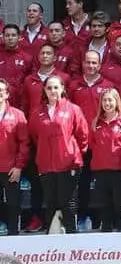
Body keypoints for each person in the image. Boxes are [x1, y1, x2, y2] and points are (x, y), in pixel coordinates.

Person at [28, 76, 89, 234]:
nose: (53, 91)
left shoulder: (73, 109)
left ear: (62, 88)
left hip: (68, 164)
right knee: (50, 202)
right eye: (49, 88)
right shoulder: (37, 113)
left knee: (67, 201)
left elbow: (83, 135)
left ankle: (72, 235)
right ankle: (53, 238)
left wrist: (72, 152)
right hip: (46, 165)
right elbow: (35, 136)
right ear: (44, 90)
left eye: (56, 87)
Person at [88, 89, 121, 232]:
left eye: (110, 100)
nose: (107, 103)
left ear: (116, 101)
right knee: (104, 203)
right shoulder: (95, 122)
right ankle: (106, 229)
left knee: (120, 202)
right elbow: (92, 144)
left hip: (119, 169)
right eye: (104, 100)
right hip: (100, 169)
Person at [0, 80, 28, 236]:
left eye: (1, 90)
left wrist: (18, 166)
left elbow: (24, 143)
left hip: (10, 167)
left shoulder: (17, 115)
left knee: (13, 202)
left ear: (7, 94)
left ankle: (13, 233)